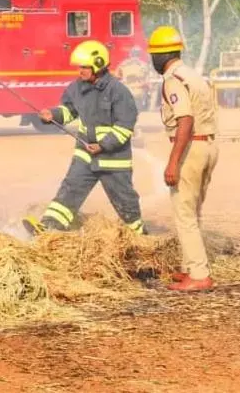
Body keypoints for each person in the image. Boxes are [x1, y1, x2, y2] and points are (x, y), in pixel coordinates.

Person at [23, 40, 145, 236]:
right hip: (85, 155)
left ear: (98, 64)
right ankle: (48, 228)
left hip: (113, 159)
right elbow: (69, 110)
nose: (80, 71)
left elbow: (125, 126)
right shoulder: (76, 88)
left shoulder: (119, 92)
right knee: (70, 189)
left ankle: (139, 236)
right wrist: (52, 115)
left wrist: (103, 146)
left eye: (84, 67)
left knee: (124, 200)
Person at [149, 26, 218, 291]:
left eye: (153, 55)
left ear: (161, 56)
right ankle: (191, 266)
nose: (152, 61)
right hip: (208, 145)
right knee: (194, 211)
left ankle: (199, 275)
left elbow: (185, 120)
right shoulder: (193, 74)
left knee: (184, 213)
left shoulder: (173, 80)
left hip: (192, 148)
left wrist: (173, 162)